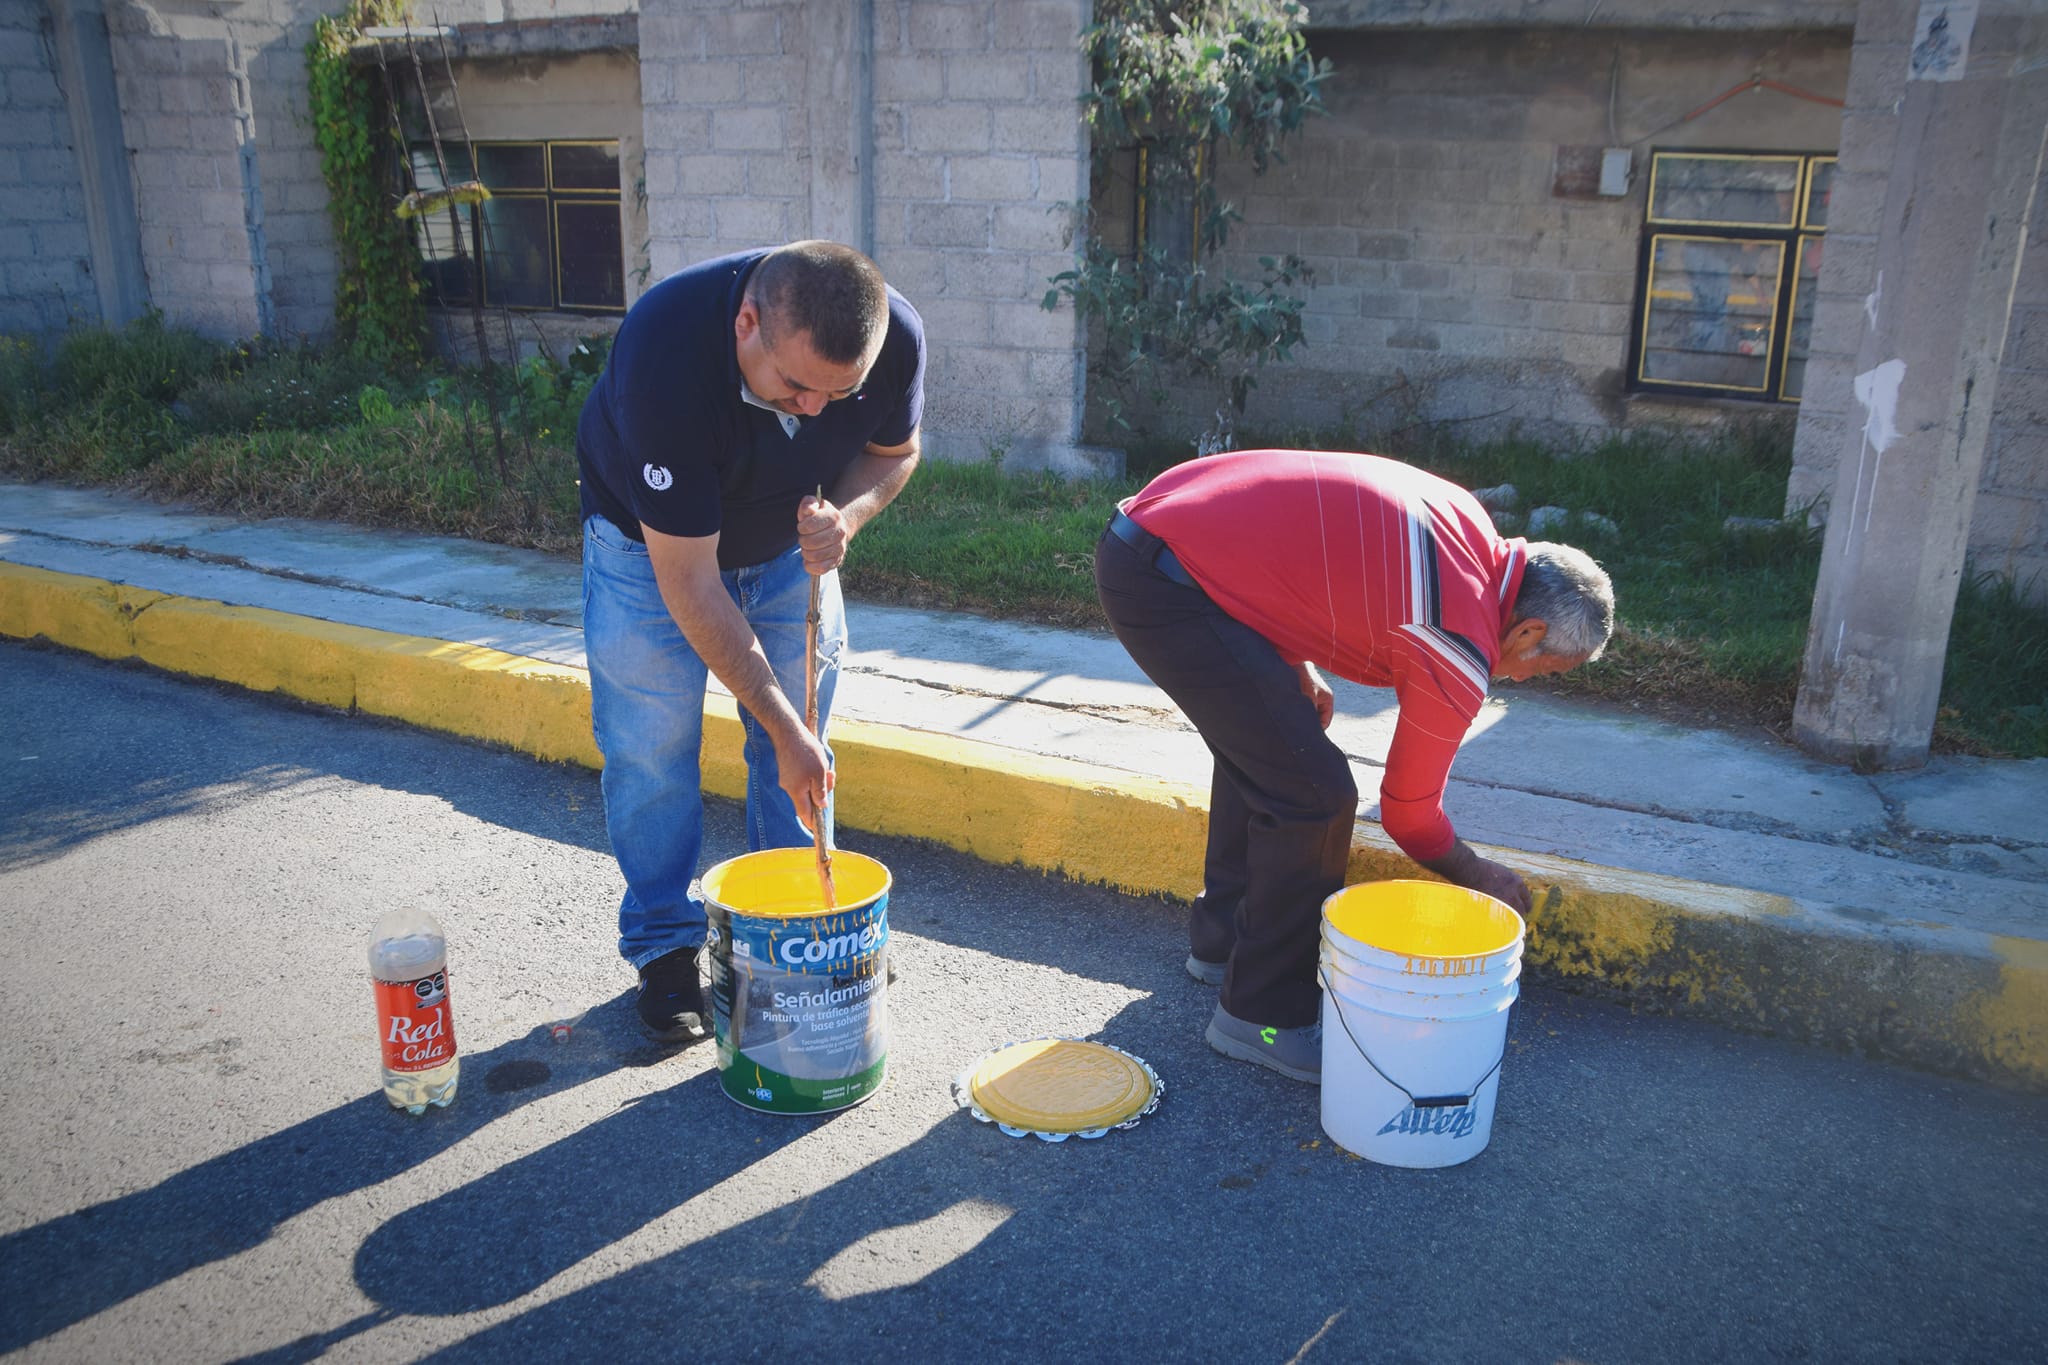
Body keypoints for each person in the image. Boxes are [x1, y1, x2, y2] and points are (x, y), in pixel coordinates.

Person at [1094, 449, 1614, 1084]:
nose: (1528, 679)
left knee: (1279, 749)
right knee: (1315, 795)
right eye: (1545, 670)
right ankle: (1261, 1019)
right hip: (1168, 582)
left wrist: (1294, 668)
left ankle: (1224, 941)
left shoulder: (1468, 526)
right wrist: (1474, 872)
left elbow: (1299, 553)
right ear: (1529, 632)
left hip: (1162, 538)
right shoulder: (1458, 641)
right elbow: (1408, 814)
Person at [575, 240, 925, 1043]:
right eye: (797, 385)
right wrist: (784, 723)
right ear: (745, 323)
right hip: (650, 553)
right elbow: (691, 585)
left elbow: (894, 453)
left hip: (782, 557)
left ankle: (797, 933)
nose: (812, 411)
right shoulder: (665, 352)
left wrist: (848, 516)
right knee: (652, 751)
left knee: (796, 761)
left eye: (840, 395)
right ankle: (666, 948)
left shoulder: (893, 335)